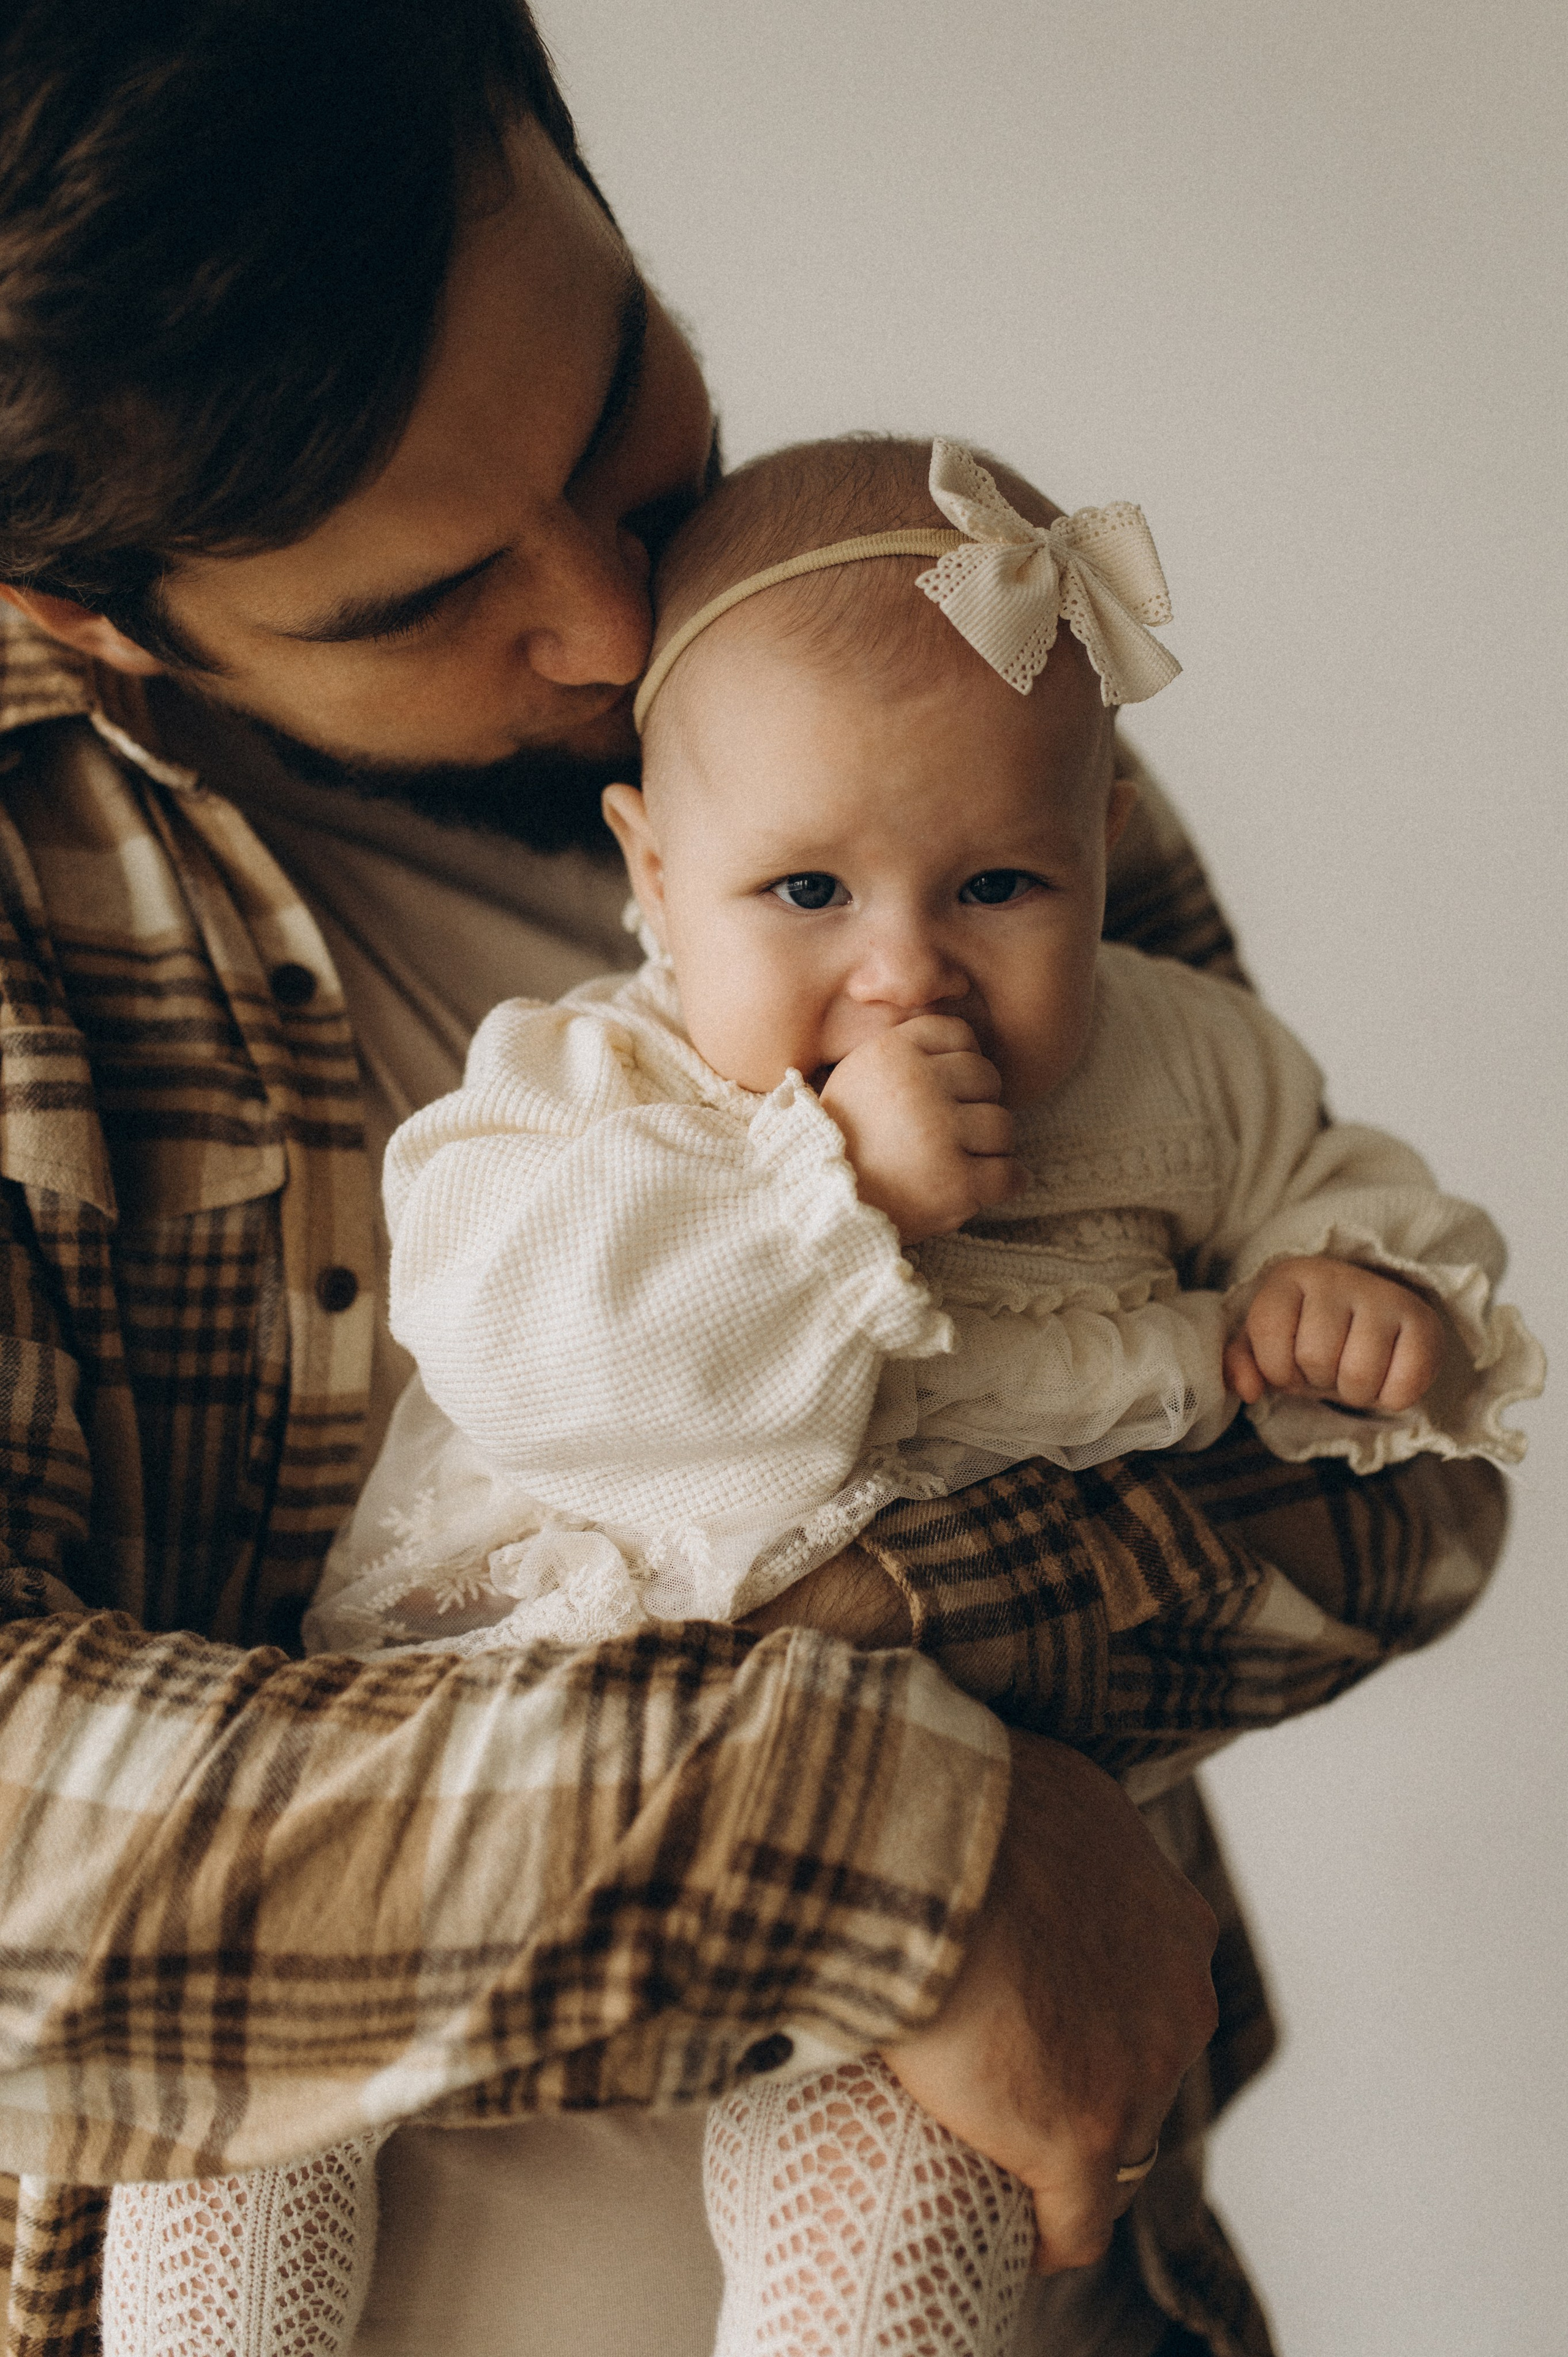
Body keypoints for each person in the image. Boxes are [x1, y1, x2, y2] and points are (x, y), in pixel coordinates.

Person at [0, 9, 1512, 2356]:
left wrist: (869, 1622)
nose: (618, 625)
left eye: (619, 405)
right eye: (424, 599)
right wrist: (894, 1830)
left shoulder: (941, 715)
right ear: (87, 612)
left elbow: (1394, 1515)